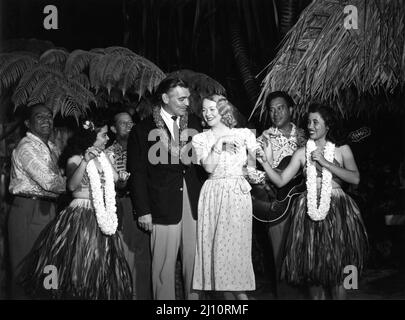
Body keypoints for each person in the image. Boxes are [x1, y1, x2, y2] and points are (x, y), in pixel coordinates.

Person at [257, 103, 368, 299]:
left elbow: (355, 179)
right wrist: (264, 161)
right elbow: (281, 180)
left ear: (328, 125)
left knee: (338, 268)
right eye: (308, 121)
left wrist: (325, 163)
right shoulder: (301, 153)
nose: (310, 126)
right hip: (308, 211)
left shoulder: (342, 150)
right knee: (312, 268)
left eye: (316, 122)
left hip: (337, 209)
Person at [20, 118, 133, 299]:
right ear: (91, 138)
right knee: (79, 264)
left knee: (100, 265)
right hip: (81, 215)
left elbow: (117, 183)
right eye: (103, 135)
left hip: (103, 213)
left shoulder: (105, 159)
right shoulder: (75, 159)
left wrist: (123, 179)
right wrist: (85, 162)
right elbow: (71, 186)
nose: (106, 139)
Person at [127, 77, 204, 300]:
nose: (187, 102)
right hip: (161, 206)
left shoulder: (196, 123)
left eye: (188, 97)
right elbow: (138, 174)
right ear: (164, 98)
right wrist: (143, 210)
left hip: (193, 204)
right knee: (162, 267)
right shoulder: (142, 130)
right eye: (181, 98)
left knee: (195, 264)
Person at [192, 95, 258, 300]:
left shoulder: (245, 134)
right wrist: (219, 144)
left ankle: (241, 297)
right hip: (213, 194)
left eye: (212, 109)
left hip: (238, 194)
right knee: (216, 249)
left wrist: (253, 172)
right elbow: (208, 167)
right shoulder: (200, 138)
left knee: (236, 250)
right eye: (204, 110)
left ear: (222, 110)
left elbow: (253, 166)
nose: (207, 114)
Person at [8, 104, 66, 299]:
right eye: (39, 117)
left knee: (50, 267)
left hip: (49, 209)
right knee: (26, 270)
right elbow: (50, 181)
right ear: (27, 123)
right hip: (29, 209)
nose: (46, 120)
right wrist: (80, 181)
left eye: (49, 116)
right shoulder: (26, 147)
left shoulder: (52, 147)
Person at [254, 91, 306, 297]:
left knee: (305, 254)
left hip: (304, 203)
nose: (275, 113)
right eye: (271, 110)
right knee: (280, 256)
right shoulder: (264, 138)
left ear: (291, 109)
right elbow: (253, 171)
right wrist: (268, 175)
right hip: (277, 204)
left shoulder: (306, 134)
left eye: (280, 108)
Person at [106, 111, 152, 300]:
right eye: (123, 123)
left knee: (145, 256)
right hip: (124, 203)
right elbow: (115, 184)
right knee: (127, 255)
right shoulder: (109, 153)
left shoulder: (144, 148)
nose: (129, 126)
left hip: (147, 205)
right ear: (113, 129)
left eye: (131, 123)